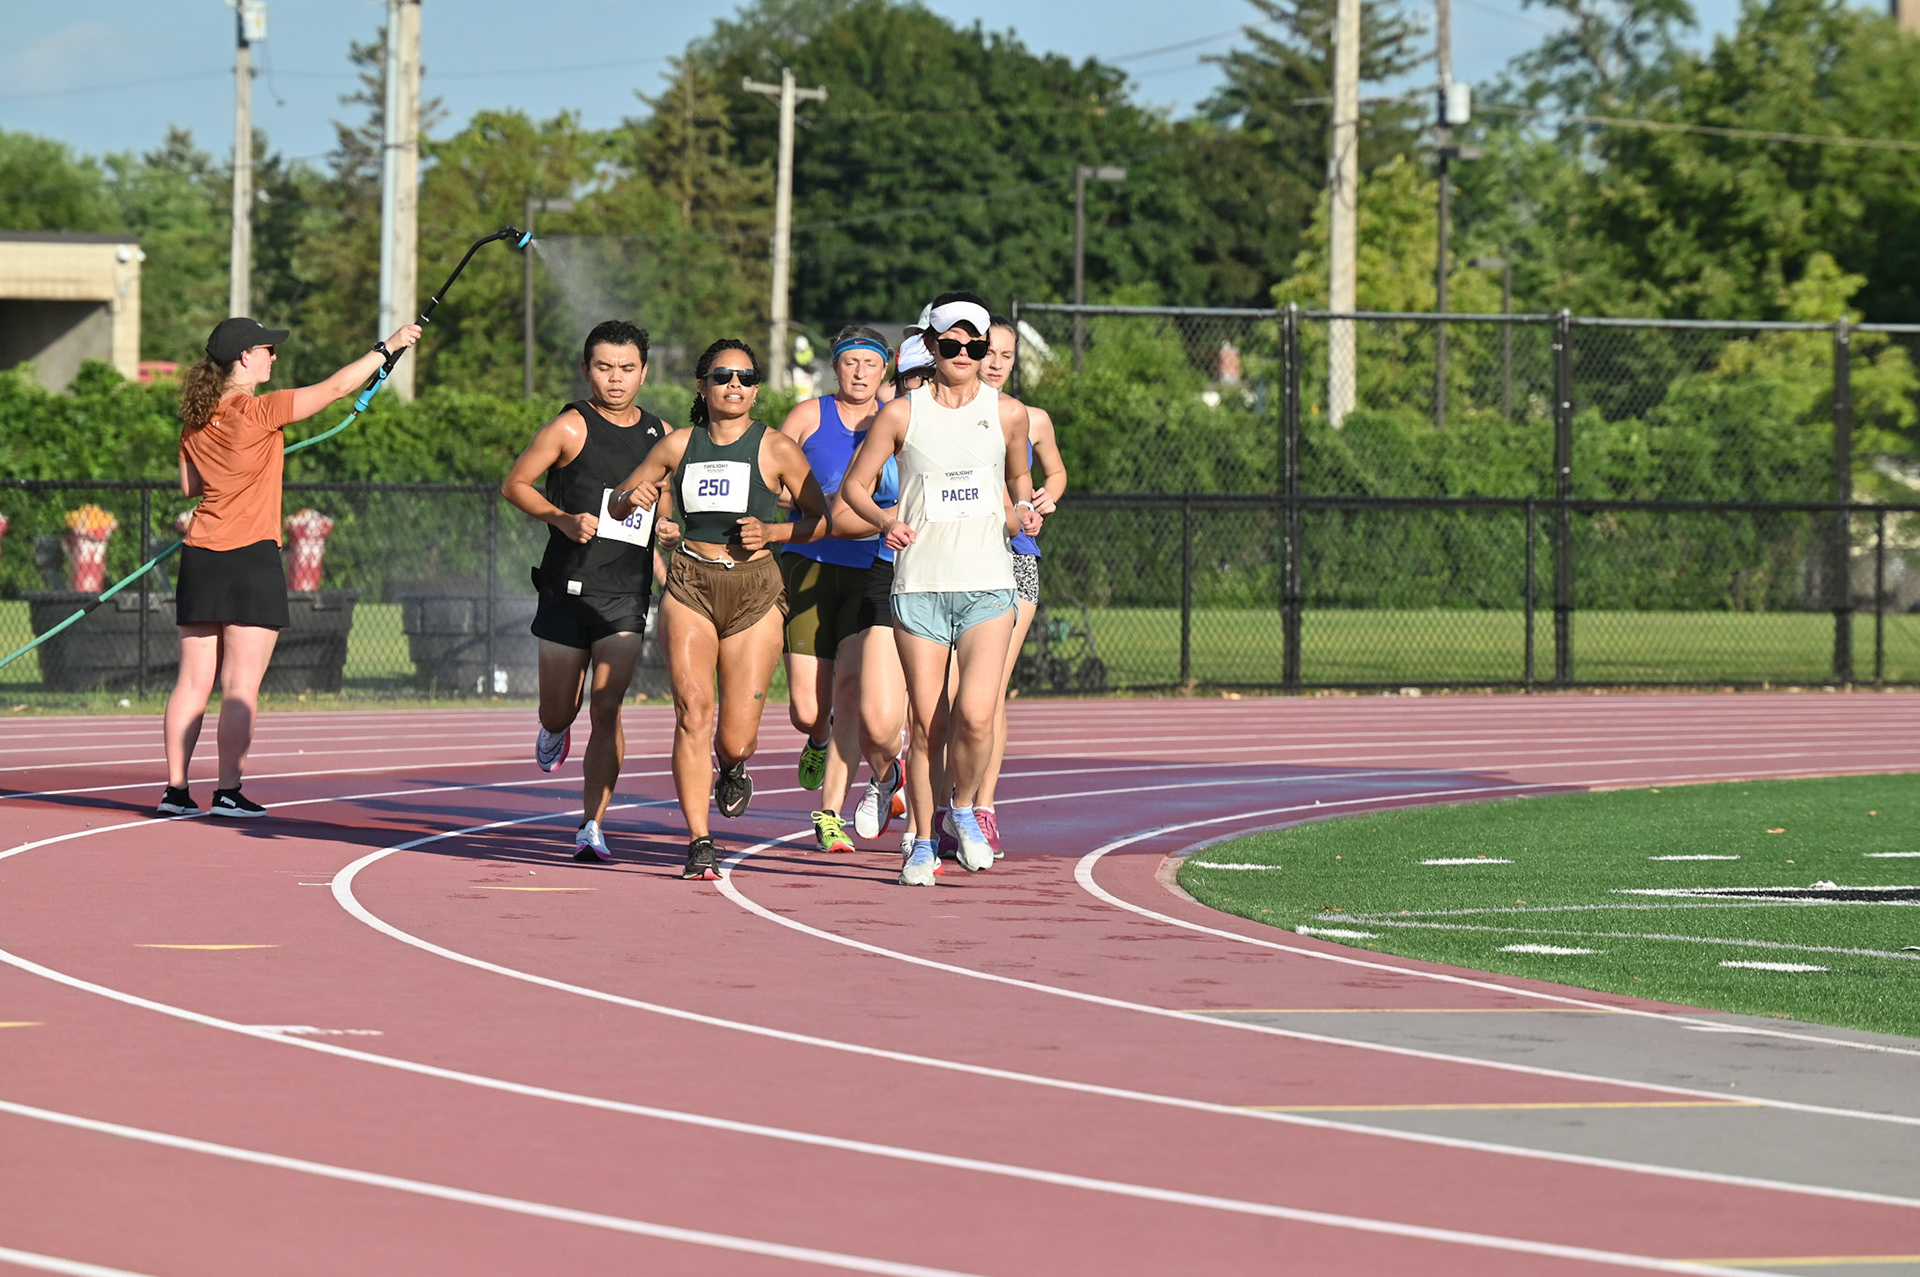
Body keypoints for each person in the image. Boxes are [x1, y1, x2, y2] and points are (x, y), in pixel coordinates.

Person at [158, 315, 421, 818]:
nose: (274, 356)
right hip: (249, 558)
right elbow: (337, 388)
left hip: (201, 556)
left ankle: (175, 790)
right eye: (267, 349)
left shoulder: (194, 420)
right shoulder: (261, 410)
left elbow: (190, 488)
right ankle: (227, 792)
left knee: (191, 682)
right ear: (244, 358)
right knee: (240, 687)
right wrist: (387, 347)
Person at [837, 294, 1043, 886]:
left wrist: (1025, 511)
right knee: (929, 725)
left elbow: (1019, 480)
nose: (963, 354)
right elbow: (854, 487)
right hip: (920, 587)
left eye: (974, 345)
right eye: (951, 344)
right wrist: (885, 521)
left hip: (989, 586)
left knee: (975, 716)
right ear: (932, 346)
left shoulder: (1009, 414)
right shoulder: (902, 415)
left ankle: (965, 810)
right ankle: (923, 842)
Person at [609, 339, 830, 880]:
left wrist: (773, 532)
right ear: (702, 385)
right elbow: (617, 501)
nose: (735, 385)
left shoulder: (777, 448)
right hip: (691, 582)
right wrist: (635, 501)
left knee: (735, 738)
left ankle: (732, 765)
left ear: (755, 389)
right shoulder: (678, 444)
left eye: (746, 377)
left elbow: (821, 519)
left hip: (755, 590)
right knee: (692, 711)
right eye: (723, 376)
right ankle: (699, 840)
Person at [500, 321, 670, 862]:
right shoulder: (569, 427)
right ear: (586, 370)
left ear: (644, 372)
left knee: (607, 705)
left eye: (626, 368)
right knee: (559, 710)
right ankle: (554, 728)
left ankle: (591, 824)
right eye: (604, 367)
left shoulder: (661, 435)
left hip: (625, 592)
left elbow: (666, 507)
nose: (615, 379)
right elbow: (514, 485)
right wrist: (562, 518)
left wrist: (667, 527)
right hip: (567, 588)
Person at [775, 326, 894, 855]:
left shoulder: (894, 418)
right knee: (807, 709)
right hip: (809, 562)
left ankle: (830, 814)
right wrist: (814, 501)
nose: (860, 372)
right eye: (851, 362)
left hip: (871, 567)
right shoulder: (808, 416)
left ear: (884, 370)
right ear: (835, 367)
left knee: (849, 690)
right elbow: (769, 478)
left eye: (870, 363)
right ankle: (818, 738)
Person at [971, 314, 1066, 854]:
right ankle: (941, 803)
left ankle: (982, 807)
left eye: (1007, 355)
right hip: (956, 558)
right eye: (989, 352)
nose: (996, 363)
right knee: (952, 692)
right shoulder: (945, 414)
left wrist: (1045, 500)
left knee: (991, 689)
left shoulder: (1032, 418)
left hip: (1015, 560)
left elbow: (1055, 473)